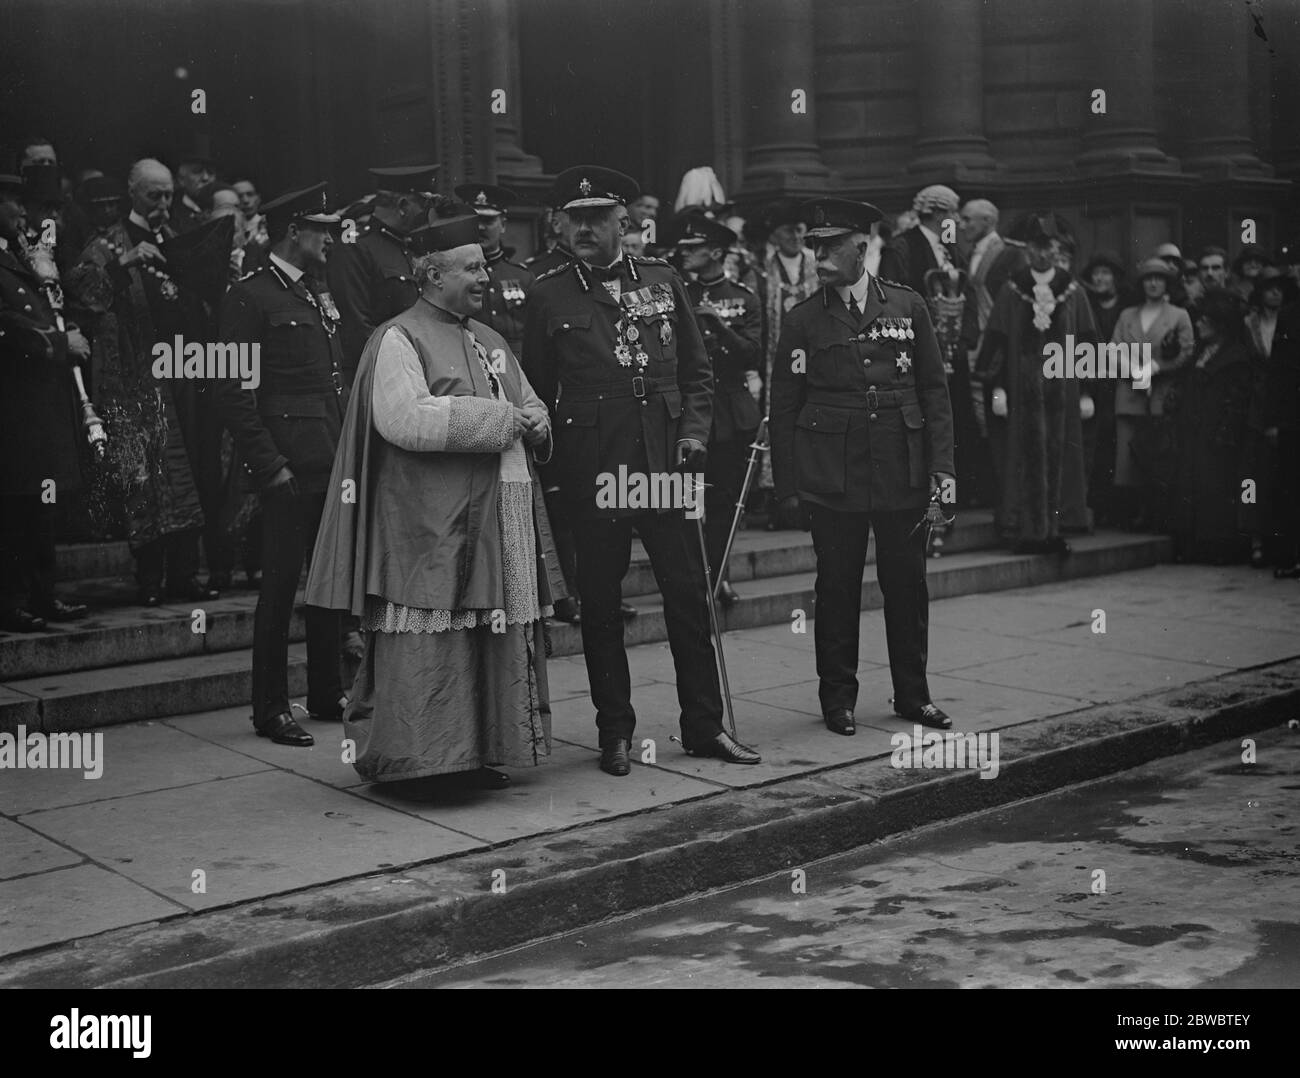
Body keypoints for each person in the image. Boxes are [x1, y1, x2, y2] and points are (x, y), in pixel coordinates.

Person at [306, 212, 562, 789]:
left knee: (490, 629)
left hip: (502, 508)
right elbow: (404, 419)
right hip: (431, 521)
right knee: (435, 630)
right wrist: (505, 421)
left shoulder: (492, 338)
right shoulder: (397, 336)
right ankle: (422, 764)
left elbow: (532, 401)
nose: (485, 278)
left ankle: (479, 753)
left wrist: (539, 422)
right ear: (431, 275)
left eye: (484, 267)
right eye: (471, 268)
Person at [522, 165, 761, 774]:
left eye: (595, 218)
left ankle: (705, 726)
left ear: (621, 221)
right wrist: (556, 472)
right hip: (595, 471)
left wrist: (695, 435)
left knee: (688, 596)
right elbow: (539, 393)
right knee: (601, 605)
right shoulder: (547, 292)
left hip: (664, 464)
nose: (582, 228)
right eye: (573, 218)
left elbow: (698, 374)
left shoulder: (661, 279)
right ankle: (615, 734)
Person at [771, 197, 955, 735]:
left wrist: (942, 470)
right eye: (814, 247)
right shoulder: (802, 320)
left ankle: (913, 695)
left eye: (830, 246)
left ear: (862, 246)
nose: (820, 257)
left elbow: (934, 394)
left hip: (902, 466)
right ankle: (838, 700)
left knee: (907, 583)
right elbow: (784, 407)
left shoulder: (907, 306)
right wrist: (788, 487)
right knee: (837, 586)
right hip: (833, 474)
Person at [211, 183, 346, 748]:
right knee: (281, 586)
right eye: (323, 230)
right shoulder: (249, 296)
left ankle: (324, 691)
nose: (331, 240)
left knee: (325, 582)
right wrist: (268, 466)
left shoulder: (316, 293)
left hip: (326, 457)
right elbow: (230, 389)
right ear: (295, 231)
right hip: (286, 466)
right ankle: (269, 708)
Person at [65, 158, 215, 605]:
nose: (164, 203)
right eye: (155, 195)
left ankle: (184, 576)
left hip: (185, 372)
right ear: (133, 194)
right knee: (146, 480)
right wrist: (122, 263)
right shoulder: (109, 243)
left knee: (189, 476)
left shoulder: (176, 239)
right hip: (138, 381)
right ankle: (150, 580)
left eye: (169, 194)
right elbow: (80, 293)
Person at [0, 172, 90, 631]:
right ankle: (13, 598)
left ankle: (42, 592)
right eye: (12, 200)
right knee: (16, 504)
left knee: (38, 501)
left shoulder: (18, 254)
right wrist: (58, 344)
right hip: (13, 405)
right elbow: (7, 324)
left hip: (38, 403)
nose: (21, 210)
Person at [975, 213, 1095, 551]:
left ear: (1057, 249)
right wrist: (997, 387)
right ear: (1027, 249)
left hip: (1063, 391)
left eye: (1048, 247)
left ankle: (1057, 526)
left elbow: (1086, 342)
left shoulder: (1073, 291)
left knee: (1062, 452)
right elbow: (996, 340)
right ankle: (1024, 527)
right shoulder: (1012, 290)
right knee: (1020, 454)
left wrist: (1086, 391)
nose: (1042, 254)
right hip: (1020, 390)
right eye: (1036, 247)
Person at [670, 212, 762, 605]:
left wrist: (719, 327)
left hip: (730, 410)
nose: (684, 252)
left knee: (724, 500)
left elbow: (752, 354)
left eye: (693, 248)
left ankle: (718, 576)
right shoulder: (678, 294)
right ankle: (693, 577)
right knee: (685, 499)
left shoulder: (743, 297)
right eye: (684, 246)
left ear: (717, 252)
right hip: (690, 410)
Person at [885, 186, 981, 509]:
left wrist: (964, 339)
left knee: (952, 424)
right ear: (939, 215)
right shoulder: (901, 247)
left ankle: (954, 498)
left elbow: (970, 296)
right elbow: (893, 301)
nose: (956, 220)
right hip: (919, 355)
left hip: (953, 355)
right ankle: (931, 501)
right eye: (953, 214)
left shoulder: (951, 249)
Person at [328, 164, 440, 387]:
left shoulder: (407, 248)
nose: (426, 214)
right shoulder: (355, 248)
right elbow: (357, 325)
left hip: (418, 375)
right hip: (381, 378)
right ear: (403, 205)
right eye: (423, 205)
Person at [1169, 289, 1255, 564]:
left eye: (1206, 319)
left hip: (1218, 435)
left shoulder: (1236, 357)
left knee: (1218, 489)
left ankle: (1220, 547)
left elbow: (1238, 401)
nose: (1199, 324)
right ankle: (1195, 544)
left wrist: (1224, 433)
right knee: (1193, 486)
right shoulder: (1199, 353)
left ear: (1221, 323)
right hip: (1194, 431)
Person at [1110, 258, 1194, 531]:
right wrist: (1135, 372)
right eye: (1148, 279)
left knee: (1160, 455)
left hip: (1161, 394)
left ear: (1167, 283)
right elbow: (1114, 349)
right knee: (1127, 458)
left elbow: (1186, 351)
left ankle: (1156, 514)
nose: (1154, 283)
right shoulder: (1127, 315)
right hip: (1131, 394)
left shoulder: (1178, 315)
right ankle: (1132, 513)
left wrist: (1157, 367)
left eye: (1159, 278)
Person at [755, 198, 819, 521]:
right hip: (776, 358)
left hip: (814, 357)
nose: (795, 236)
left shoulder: (817, 263)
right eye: (788, 231)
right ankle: (779, 497)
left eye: (799, 230)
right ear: (775, 236)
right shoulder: (762, 270)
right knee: (780, 420)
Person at [1242, 266, 1297, 568]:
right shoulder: (1249, 324)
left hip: (1285, 405)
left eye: (1279, 287)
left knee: (1284, 478)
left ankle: (1282, 544)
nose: (1274, 293)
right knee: (1255, 474)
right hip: (1256, 404)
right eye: (1268, 287)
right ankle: (1256, 540)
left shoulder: (1291, 320)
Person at [453, 183, 534, 358]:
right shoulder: (453, 274)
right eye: (475, 221)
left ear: (503, 225)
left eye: (488, 221)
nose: (481, 227)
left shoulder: (523, 277)